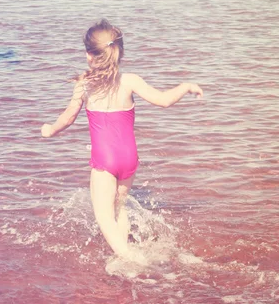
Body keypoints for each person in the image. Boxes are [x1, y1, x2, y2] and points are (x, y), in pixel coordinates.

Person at [41, 19, 203, 261]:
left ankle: (132, 259)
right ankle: (128, 253)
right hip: (129, 158)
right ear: (119, 51)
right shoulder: (130, 80)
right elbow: (164, 101)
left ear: (89, 55)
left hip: (105, 159)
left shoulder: (83, 84)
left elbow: (68, 118)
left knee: (104, 217)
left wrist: (50, 130)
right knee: (119, 208)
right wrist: (186, 85)